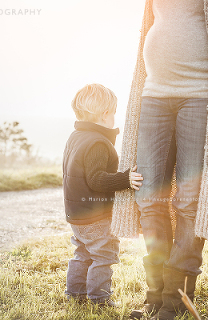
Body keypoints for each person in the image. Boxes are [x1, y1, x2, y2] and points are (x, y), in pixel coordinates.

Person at [111, 0, 208, 319]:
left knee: (190, 201)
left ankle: (176, 301)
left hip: (201, 96)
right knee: (148, 197)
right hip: (152, 95)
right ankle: (155, 295)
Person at [63, 83, 144, 306]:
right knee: (103, 255)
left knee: (83, 253)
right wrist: (125, 179)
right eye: (114, 113)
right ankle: (99, 299)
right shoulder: (98, 142)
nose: (114, 118)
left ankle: (75, 294)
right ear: (105, 114)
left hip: (76, 214)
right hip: (95, 214)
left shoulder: (76, 136)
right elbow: (96, 179)